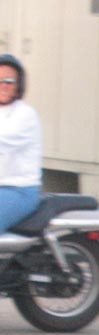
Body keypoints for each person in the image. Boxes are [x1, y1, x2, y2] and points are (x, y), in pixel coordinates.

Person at [0, 53, 42, 234]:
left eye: (9, 81)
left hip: (19, 190)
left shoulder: (25, 114)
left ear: (18, 85)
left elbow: (4, 140)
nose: (3, 85)